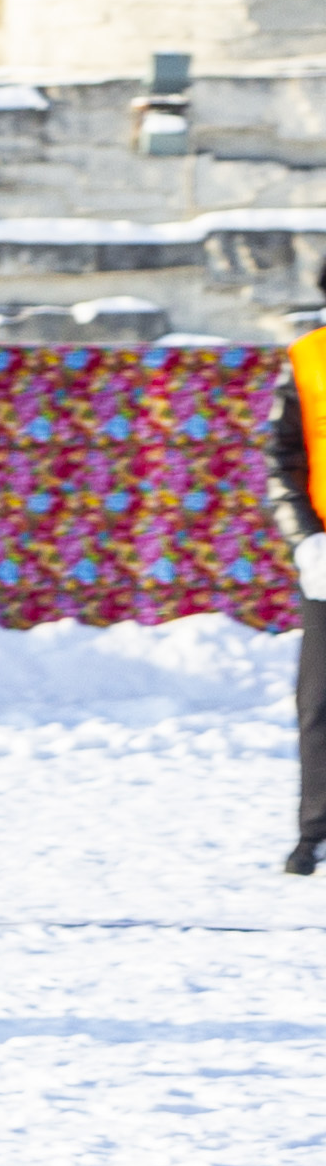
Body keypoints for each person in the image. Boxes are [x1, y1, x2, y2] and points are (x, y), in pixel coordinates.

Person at [263, 248, 326, 872]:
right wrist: (305, 538)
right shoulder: (308, 360)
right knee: (320, 700)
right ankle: (317, 828)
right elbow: (282, 458)